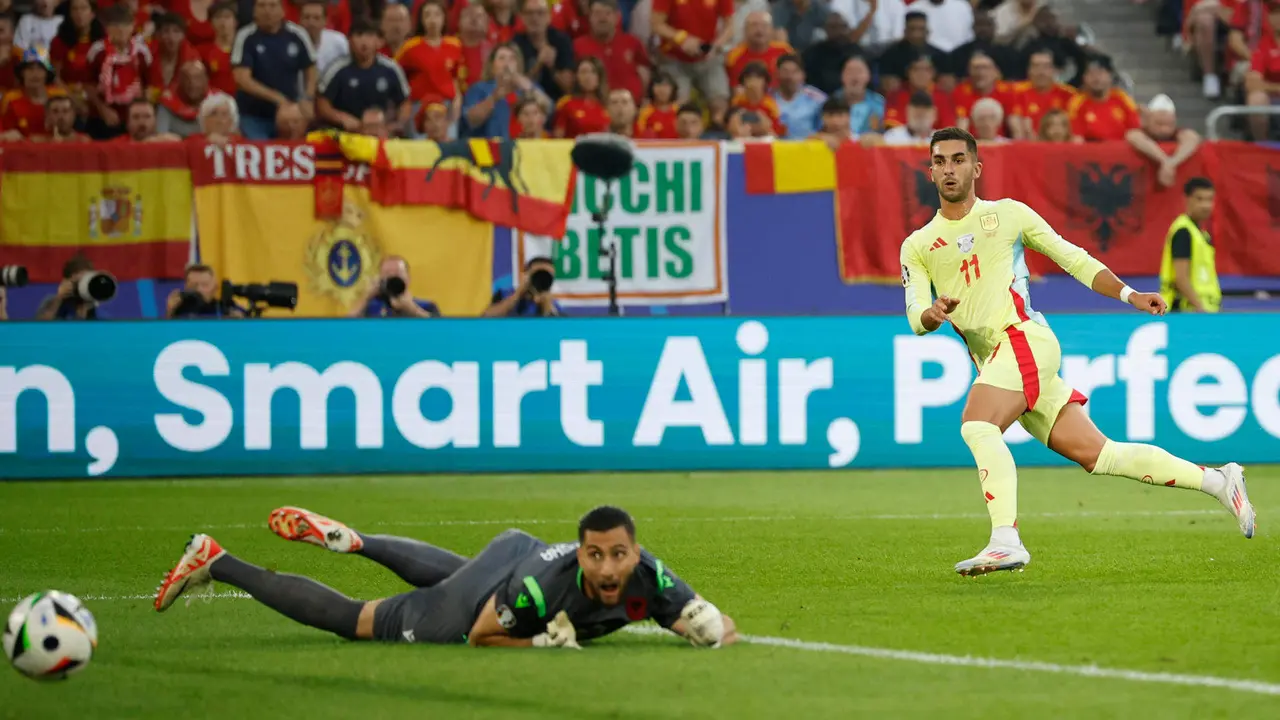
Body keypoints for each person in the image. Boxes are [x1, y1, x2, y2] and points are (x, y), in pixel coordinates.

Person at [899, 126, 1255, 576]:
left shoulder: (1009, 215)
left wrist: (1129, 295)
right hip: (996, 358)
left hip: (1024, 338)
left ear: (976, 167)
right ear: (929, 172)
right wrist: (933, 314)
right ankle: (1219, 480)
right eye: (939, 161)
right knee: (1100, 455)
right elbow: (916, 317)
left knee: (978, 425)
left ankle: (1005, 540)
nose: (949, 168)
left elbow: (1073, 258)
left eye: (957, 159)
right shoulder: (917, 245)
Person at [155, 505, 737, 650]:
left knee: (462, 579)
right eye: (597, 556)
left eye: (619, 555)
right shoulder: (541, 590)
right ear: (582, 555)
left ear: (635, 554)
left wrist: (708, 627)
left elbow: (713, 622)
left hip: (511, 553)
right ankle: (217, 560)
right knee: (362, 621)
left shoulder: (654, 579)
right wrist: (538, 642)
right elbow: (483, 635)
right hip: (509, 585)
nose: (610, 568)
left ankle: (361, 542)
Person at [231, 0, 317, 140]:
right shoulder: (245, 36)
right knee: (260, 155)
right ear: (254, 11)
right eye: (262, 6)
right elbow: (242, 79)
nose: (267, 10)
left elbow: (311, 68)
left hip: (289, 114)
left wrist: (308, 97)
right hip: (253, 116)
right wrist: (277, 98)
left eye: (272, 5)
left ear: (282, 10)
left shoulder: (298, 34)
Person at [317, 20, 411, 134]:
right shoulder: (336, 69)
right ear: (349, 40)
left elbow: (405, 102)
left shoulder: (391, 69)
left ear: (379, 41)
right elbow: (322, 103)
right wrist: (341, 118)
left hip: (383, 132)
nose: (364, 41)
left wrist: (397, 124)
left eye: (370, 36)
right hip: (345, 133)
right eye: (359, 35)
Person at [1159, 177, 1221, 314]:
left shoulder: (1202, 235)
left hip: (1201, 311)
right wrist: (1200, 308)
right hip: (1187, 312)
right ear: (1187, 199)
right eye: (1200, 199)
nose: (1206, 205)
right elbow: (1180, 278)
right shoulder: (1183, 231)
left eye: (1210, 199)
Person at [462, 43, 548, 138]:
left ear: (518, 64)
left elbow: (549, 110)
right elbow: (471, 121)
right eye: (501, 58)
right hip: (490, 147)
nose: (507, 64)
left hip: (525, 146)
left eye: (512, 59)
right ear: (492, 65)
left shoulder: (529, 86)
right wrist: (493, 99)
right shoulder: (479, 88)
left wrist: (529, 88)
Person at [572, 0, 649, 105]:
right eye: (597, 13)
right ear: (589, 17)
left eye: (608, 13)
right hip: (592, 110)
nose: (602, 18)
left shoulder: (633, 43)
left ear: (617, 17)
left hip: (631, 109)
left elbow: (645, 72)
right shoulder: (578, 46)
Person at [1125, 94, 1202, 189]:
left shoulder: (1179, 133)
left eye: (1169, 124)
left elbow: (1192, 138)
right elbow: (1133, 136)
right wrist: (1164, 160)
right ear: (1148, 121)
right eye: (1159, 124)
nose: (1164, 130)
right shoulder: (1141, 132)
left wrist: (1171, 163)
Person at [1008, 44, 1075, 140]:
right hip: (1028, 147)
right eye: (1036, 66)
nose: (1041, 72)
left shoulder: (1069, 95)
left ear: (1055, 70)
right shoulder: (1015, 92)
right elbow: (1017, 130)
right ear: (1029, 70)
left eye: (1046, 67)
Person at [1066, 55, 1138, 142]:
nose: (1096, 78)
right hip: (1091, 153)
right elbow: (1077, 137)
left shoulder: (1123, 98)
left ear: (1110, 76)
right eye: (1091, 74)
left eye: (1100, 73)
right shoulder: (1077, 103)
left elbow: (1135, 130)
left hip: (1121, 151)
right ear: (1084, 78)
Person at [514, 0, 574, 103]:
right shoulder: (516, 43)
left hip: (558, 103)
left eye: (540, 13)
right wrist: (538, 64)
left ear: (549, 17)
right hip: (526, 104)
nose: (534, 18)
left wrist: (552, 68)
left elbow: (569, 88)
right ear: (522, 18)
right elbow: (516, 88)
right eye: (529, 13)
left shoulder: (561, 41)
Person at [349, 255, 440, 318]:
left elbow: (442, 331)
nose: (392, 277)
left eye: (397, 273)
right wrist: (366, 297)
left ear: (408, 279)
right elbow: (345, 329)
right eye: (387, 273)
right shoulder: (371, 307)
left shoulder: (426, 306)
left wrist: (413, 309)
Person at [486, 256, 563, 317]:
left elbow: (561, 331)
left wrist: (547, 309)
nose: (541, 279)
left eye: (547, 276)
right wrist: (517, 295)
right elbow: (486, 318)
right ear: (525, 275)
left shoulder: (554, 306)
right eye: (538, 274)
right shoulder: (504, 294)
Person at [36, 255, 105, 321]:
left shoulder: (94, 306)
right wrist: (58, 299)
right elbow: (40, 327)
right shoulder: (52, 301)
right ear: (66, 281)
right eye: (78, 281)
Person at [554, 55, 609, 138]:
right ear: (577, 77)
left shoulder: (608, 105)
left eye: (593, 72)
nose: (588, 76)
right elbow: (557, 138)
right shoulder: (566, 103)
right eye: (583, 72)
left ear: (599, 77)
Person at [772, 53, 825, 138]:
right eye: (785, 71)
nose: (789, 77)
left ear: (803, 75)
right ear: (777, 74)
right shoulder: (768, 97)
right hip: (776, 147)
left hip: (808, 148)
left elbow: (827, 126)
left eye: (795, 72)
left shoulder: (817, 99)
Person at [156, 60, 212, 137]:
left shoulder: (218, 102)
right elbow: (160, 137)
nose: (192, 83)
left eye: (197, 78)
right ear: (179, 81)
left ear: (206, 80)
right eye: (187, 78)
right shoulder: (167, 105)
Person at [166, 263, 245, 318]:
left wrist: (238, 322)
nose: (199, 289)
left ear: (215, 287)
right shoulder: (178, 309)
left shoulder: (226, 308)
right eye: (193, 285)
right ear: (186, 286)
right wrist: (169, 312)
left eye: (204, 285)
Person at [831, 54, 883, 135]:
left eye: (859, 71)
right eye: (850, 71)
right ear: (842, 76)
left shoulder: (880, 103)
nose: (855, 77)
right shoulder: (830, 102)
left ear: (868, 76)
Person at [298, 0, 349, 76]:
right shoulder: (290, 41)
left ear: (325, 21)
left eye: (316, 18)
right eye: (306, 17)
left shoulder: (338, 41)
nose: (311, 23)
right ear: (300, 19)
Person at [200, 2, 239, 96]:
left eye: (227, 17)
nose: (223, 22)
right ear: (211, 23)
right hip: (215, 102)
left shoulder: (246, 48)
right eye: (218, 17)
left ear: (235, 22)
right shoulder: (203, 51)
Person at [636, 71, 679, 138]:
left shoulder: (679, 111)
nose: (662, 90)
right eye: (658, 85)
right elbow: (639, 135)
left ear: (673, 89)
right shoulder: (644, 113)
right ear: (651, 88)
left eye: (666, 86)